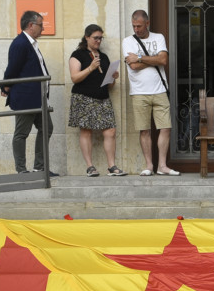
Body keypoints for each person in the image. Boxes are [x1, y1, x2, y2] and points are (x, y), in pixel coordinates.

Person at [122, 9, 179, 176]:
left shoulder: (158, 37)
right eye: (134, 26)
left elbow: (163, 60)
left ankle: (162, 165)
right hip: (139, 92)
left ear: (147, 23)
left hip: (160, 90)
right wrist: (153, 59)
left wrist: (139, 58)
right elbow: (133, 66)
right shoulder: (128, 41)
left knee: (166, 127)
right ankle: (149, 166)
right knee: (144, 130)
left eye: (139, 26)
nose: (136, 29)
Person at [2, 10, 58, 177]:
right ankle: (21, 170)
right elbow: (12, 68)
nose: (43, 29)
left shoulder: (31, 43)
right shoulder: (20, 43)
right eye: (41, 25)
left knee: (47, 128)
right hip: (26, 98)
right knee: (21, 133)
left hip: (38, 97)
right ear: (31, 25)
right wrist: (5, 86)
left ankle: (39, 168)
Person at [69, 24, 126, 177]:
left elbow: (109, 84)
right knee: (86, 131)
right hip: (84, 97)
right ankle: (90, 167)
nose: (98, 41)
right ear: (87, 37)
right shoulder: (78, 54)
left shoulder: (104, 56)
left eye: (101, 38)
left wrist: (113, 78)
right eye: (96, 38)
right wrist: (91, 68)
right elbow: (74, 78)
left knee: (110, 131)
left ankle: (112, 166)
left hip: (102, 98)